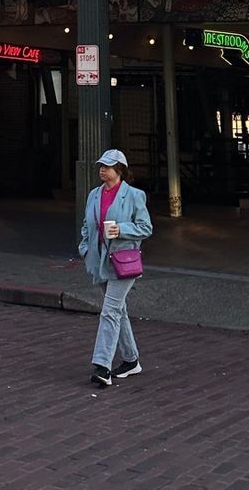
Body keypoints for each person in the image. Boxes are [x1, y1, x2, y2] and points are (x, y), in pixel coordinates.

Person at [78, 148, 153, 388]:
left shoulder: (134, 195)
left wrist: (121, 229)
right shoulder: (93, 195)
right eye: (101, 165)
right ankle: (131, 360)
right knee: (118, 310)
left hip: (123, 261)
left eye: (107, 166)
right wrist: (84, 249)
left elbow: (145, 227)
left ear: (119, 170)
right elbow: (86, 225)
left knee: (109, 310)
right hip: (98, 259)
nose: (102, 169)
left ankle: (102, 366)